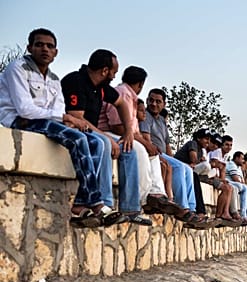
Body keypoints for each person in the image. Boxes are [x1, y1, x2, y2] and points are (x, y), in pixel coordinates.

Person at [0, 28, 116, 227]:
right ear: (29, 47)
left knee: (96, 142)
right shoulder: (17, 68)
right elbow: (25, 109)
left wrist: (63, 118)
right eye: (39, 44)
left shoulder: (53, 79)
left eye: (50, 46)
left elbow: (58, 107)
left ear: (56, 52)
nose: (44, 49)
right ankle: (96, 202)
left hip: (45, 122)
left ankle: (80, 203)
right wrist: (64, 118)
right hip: (20, 121)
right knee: (78, 138)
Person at [61, 49, 142, 226]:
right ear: (105, 71)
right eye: (114, 72)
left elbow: (121, 104)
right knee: (104, 143)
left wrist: (129, 131)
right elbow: (77, 117)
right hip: (74, 128)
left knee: (129, 149)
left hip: (92, 131)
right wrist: (106, 136)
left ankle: (130, 209)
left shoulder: (102, 88)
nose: (114, 76)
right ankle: (105, 204)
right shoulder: (76, 81)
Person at [98, 65, 182, 224]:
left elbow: (131, 129)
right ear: (141, 84)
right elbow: (117, 125)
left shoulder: (130, 97)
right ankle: (143, 200)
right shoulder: (122, 93)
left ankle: (156, 194)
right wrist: (143, 142)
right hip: (108, 132)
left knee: (152, 151)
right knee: (140, 150)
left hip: (121, 134)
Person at [139, 88, 209, 228]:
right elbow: (147, 140)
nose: (153, 104)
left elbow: (167, 145)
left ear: (164, 104)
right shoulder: (145, 116)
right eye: (151, 100)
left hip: (163, 153)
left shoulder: (161, 121)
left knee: (187, 169)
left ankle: (191, 209)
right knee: (178, 167)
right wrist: (169, 160)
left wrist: (172, 159)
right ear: (147, 100)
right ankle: (182, 208)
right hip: (153, 152)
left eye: (158, 101)